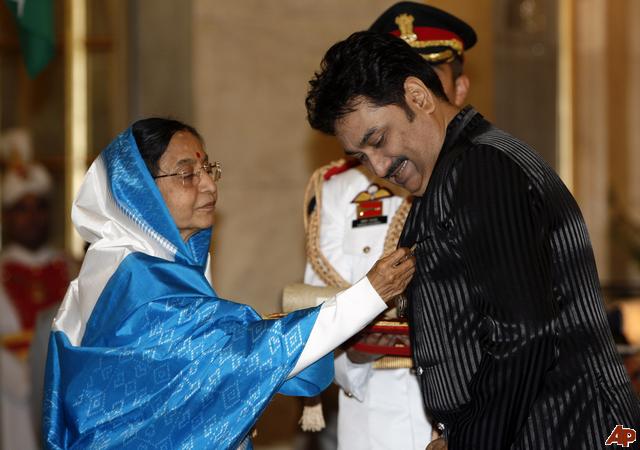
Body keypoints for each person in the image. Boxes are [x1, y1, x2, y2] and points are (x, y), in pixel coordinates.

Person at [305, 31, 640, 449]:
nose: (378, 166)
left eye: (377, 140)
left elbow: (523, 333)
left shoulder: (482, 168)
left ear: (418, 96)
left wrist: (471, 441)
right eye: (360, 156)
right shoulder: (448, 178)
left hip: (564, 431)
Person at [42, 118, 415, 450]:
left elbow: (209, 362)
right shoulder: (137, 280)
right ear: (137, 189)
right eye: (187, 174)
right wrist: (370, 293)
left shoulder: (121, 266)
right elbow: (244, 352)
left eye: (208, 169)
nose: (208, 186)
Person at [302, 3, 475, 449]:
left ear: (456, 87)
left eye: (432, 80)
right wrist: (354, 351)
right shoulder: (341, 189)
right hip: (373, 422)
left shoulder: (495, 173)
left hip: (474, 414)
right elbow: (317, 311)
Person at [0, 128, 76, 450]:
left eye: (39, 207)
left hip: (63, 391)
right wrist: (21, 378)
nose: (32, 217)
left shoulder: (72, 268)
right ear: (6, 216)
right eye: (22, 208)